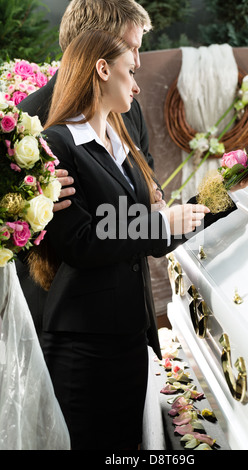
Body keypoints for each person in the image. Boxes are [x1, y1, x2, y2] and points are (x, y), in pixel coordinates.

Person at [28, 29, 211, 450]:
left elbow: (147, 233)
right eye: (130, 71)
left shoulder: (120, 141)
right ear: (102, 68)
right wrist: (160, 223)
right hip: (84, 343)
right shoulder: (57, 145)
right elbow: (83, 241)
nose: (137, 83)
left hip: (130, 335)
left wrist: (230, 194)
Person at [16, 0, 159, 337]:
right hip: (60, 321)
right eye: (131, 50)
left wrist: (156, 201)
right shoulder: (29, 120)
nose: (137, 63)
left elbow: (148, 180)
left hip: (127, 310)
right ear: (98, 51)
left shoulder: (129, 109)